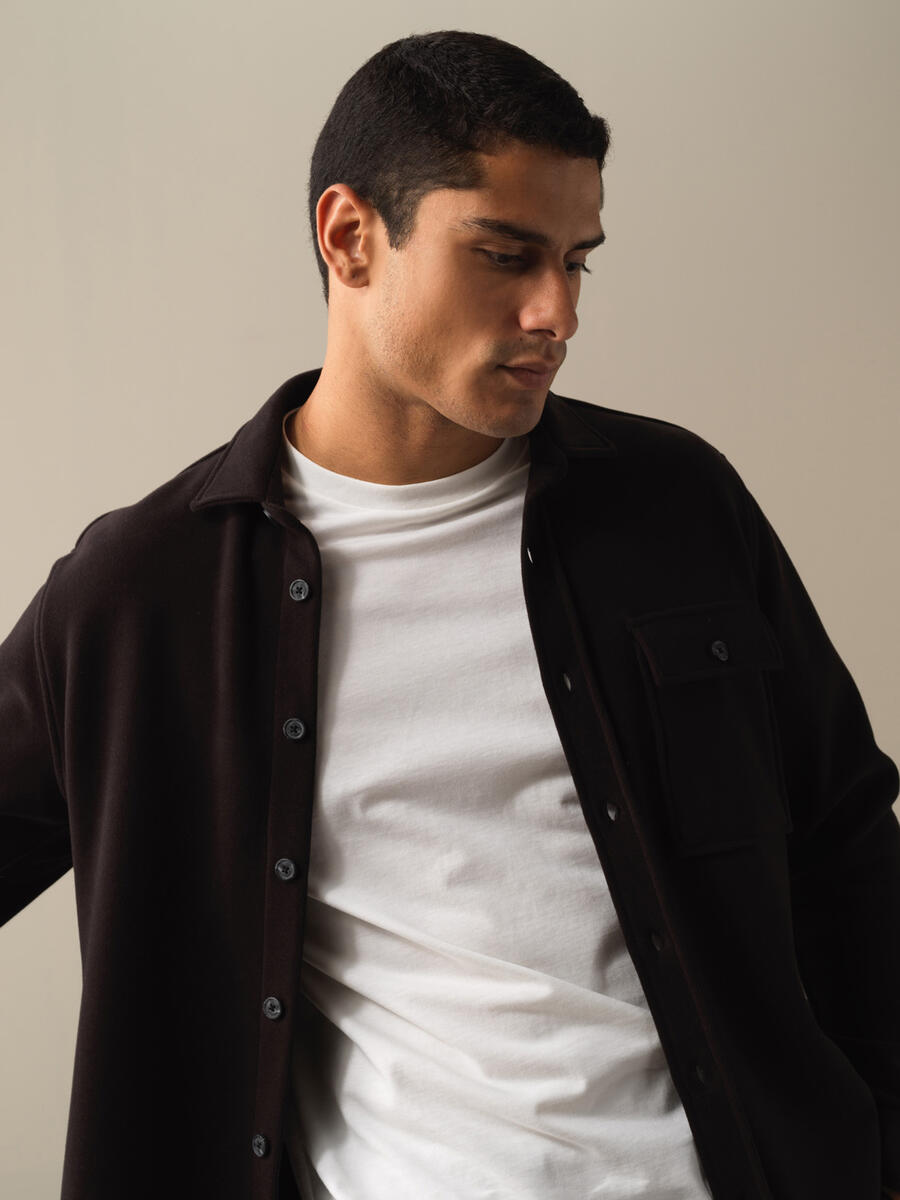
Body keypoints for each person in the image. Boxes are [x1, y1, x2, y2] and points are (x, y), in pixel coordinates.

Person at [1, 28, 897, 1200]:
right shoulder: (145, 595)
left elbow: (848, 848)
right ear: (350, 237)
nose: (556, 312)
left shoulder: (677, 506)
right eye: (505, 256)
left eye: (577, 262)